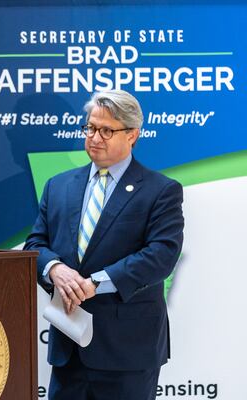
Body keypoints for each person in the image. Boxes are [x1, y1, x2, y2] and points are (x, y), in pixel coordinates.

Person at [24, 90, 184, 400]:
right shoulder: (58, 186)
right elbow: (36, 243)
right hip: (69, 348)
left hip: (128, 352)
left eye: (107, 130)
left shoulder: (160, 191)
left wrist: (95, 283)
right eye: (90, 128)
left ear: (132, 135)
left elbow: (162, 255)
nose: (95, 137)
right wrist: (55, 269)